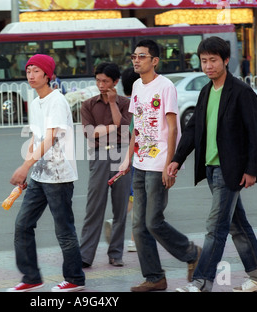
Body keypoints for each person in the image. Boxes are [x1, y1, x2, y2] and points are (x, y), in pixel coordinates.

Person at [167, 36, 257, 292]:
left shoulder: (241, 92)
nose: (208, 66)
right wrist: (177, 159)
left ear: (226, 61)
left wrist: (251, 170)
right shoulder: (205, 92)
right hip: (212, 168)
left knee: (215, 228)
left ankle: (201, 282)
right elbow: (192, 130)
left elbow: (255, 134)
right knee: (238, 224)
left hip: (232, 170)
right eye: (204, 61)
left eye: (213, 60)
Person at [118, 40, 201, 292]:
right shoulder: (135, 85)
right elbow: (137, 126)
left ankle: (192, 252)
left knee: (153, 221)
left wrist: (170, 165)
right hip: (140, 163)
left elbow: (174, 128)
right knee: (138, 225)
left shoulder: (165, 87)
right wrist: (127, 158)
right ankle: (155, 277)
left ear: (154, 60)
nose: (136, 60)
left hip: (158, 163)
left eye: (141, 56)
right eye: (134, 56)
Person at [7, 54, 85, 292]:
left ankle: (75, 279)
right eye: (28, 70)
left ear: (47, 75)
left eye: (36, 71)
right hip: (39, 175)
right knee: (22, 225)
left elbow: (51, 137)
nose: (31, 75)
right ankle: (31, 277)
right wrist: (27, 168)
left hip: (59, 175)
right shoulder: (35, 102)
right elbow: (36, 136)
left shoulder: (56, 101)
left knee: (64, 230)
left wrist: (24, 166)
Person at [79, 62, 132, 268]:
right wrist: (113, 128)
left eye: (105, 81)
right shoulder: (88, 105)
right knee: (94, 207)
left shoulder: (125, 103)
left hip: (121, 156)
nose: (101, 85)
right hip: (99, 156)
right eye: (98, 80)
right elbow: (90, 133)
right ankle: (85, 254)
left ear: (115, 82)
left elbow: (126, 130)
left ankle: (116, 253)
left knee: (120, 209)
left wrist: (112, 104)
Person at [120, 67, 140, 252]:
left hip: (131, 157)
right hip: (140, 158)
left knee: (133, 198)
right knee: (139, 201)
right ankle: (134, 240)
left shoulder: (126, 103)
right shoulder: (138, 101)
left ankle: (116, 220)